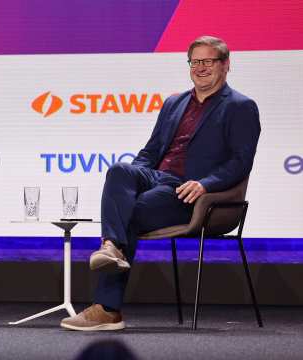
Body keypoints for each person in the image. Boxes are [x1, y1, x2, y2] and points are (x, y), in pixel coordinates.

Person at [61, 35, 261, 331]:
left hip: (191, 193)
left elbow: (240, 162)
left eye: (208, 61)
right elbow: (151, 151)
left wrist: (205, 184)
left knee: (130, 212)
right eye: (195, 62)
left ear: (226, 65)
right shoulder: (174, 103)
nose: (201, 68)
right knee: (120, 170)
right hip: (158, 178)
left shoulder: (241, 106)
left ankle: (107, 309)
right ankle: (111, 248)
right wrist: (140, 175)